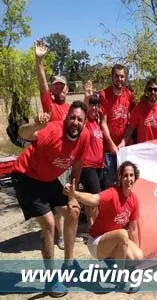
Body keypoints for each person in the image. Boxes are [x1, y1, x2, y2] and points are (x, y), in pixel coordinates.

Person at [12, 101, 90, 297]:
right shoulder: (53, 131)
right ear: (66, 118)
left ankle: (69, 264)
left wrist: (73, 190)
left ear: (85, 122)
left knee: (73, 210)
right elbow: (22, 134)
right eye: (72, 117)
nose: (75, 122)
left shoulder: (84, 136)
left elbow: (78, 163)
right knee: (49, 223)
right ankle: (50, 280)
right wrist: (35, 126)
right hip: (26, 176)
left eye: (80, 119)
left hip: (48, 178)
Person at [65, 161, 143, 269]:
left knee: (138, 256)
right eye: (125, 176)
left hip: (113, 240)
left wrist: (135, 263)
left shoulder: (134, 200)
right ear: (120, 178)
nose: (129, 179)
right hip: (96, 242)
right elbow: (93, 199)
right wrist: (75, 194)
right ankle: (120, 277)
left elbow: (133, 230)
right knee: (123, 234)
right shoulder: (112, 193)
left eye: (131, 175)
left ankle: (114, 264)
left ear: (135, 178)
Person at [35, 39, 71, 251]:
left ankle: (63, 232)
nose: (59, 89)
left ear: (66, 88)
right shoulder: (51, 107)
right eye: (55, 86)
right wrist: (39, 62)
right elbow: (42, 86)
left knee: (66, 200)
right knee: (58, 203)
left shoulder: (71, 109)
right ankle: (57, 234)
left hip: (67, 161)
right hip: (53, 160)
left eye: (62, 85)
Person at [100, 64, 134, 188]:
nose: (119, 79)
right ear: (112, 77)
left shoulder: (128, 94)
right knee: (109, 183)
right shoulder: (104, 95)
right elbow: (103, 122)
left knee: (125, 182)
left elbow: (132, 119)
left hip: (124, 147)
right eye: (116, 76)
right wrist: (111, 144)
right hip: (109, 149)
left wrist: (125, 140)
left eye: (122, 76)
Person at [123, 78, 157, 143]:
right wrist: (122, 144)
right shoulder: (139, 108)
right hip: (142, 149)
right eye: (150, 89)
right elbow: (130, 129)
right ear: (146, 92)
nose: (153, 92)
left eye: (155, 90)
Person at [79, 94, 104, 228]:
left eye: (97, 105)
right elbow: (82, 110)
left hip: (99, 166)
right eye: (92, 104)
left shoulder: (97, 123)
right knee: (95, 197)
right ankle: (93, 226)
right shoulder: (86, 122)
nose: (94, 107)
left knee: (91, 198)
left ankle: (91, 225)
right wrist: (87, 95)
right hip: (88, 166)